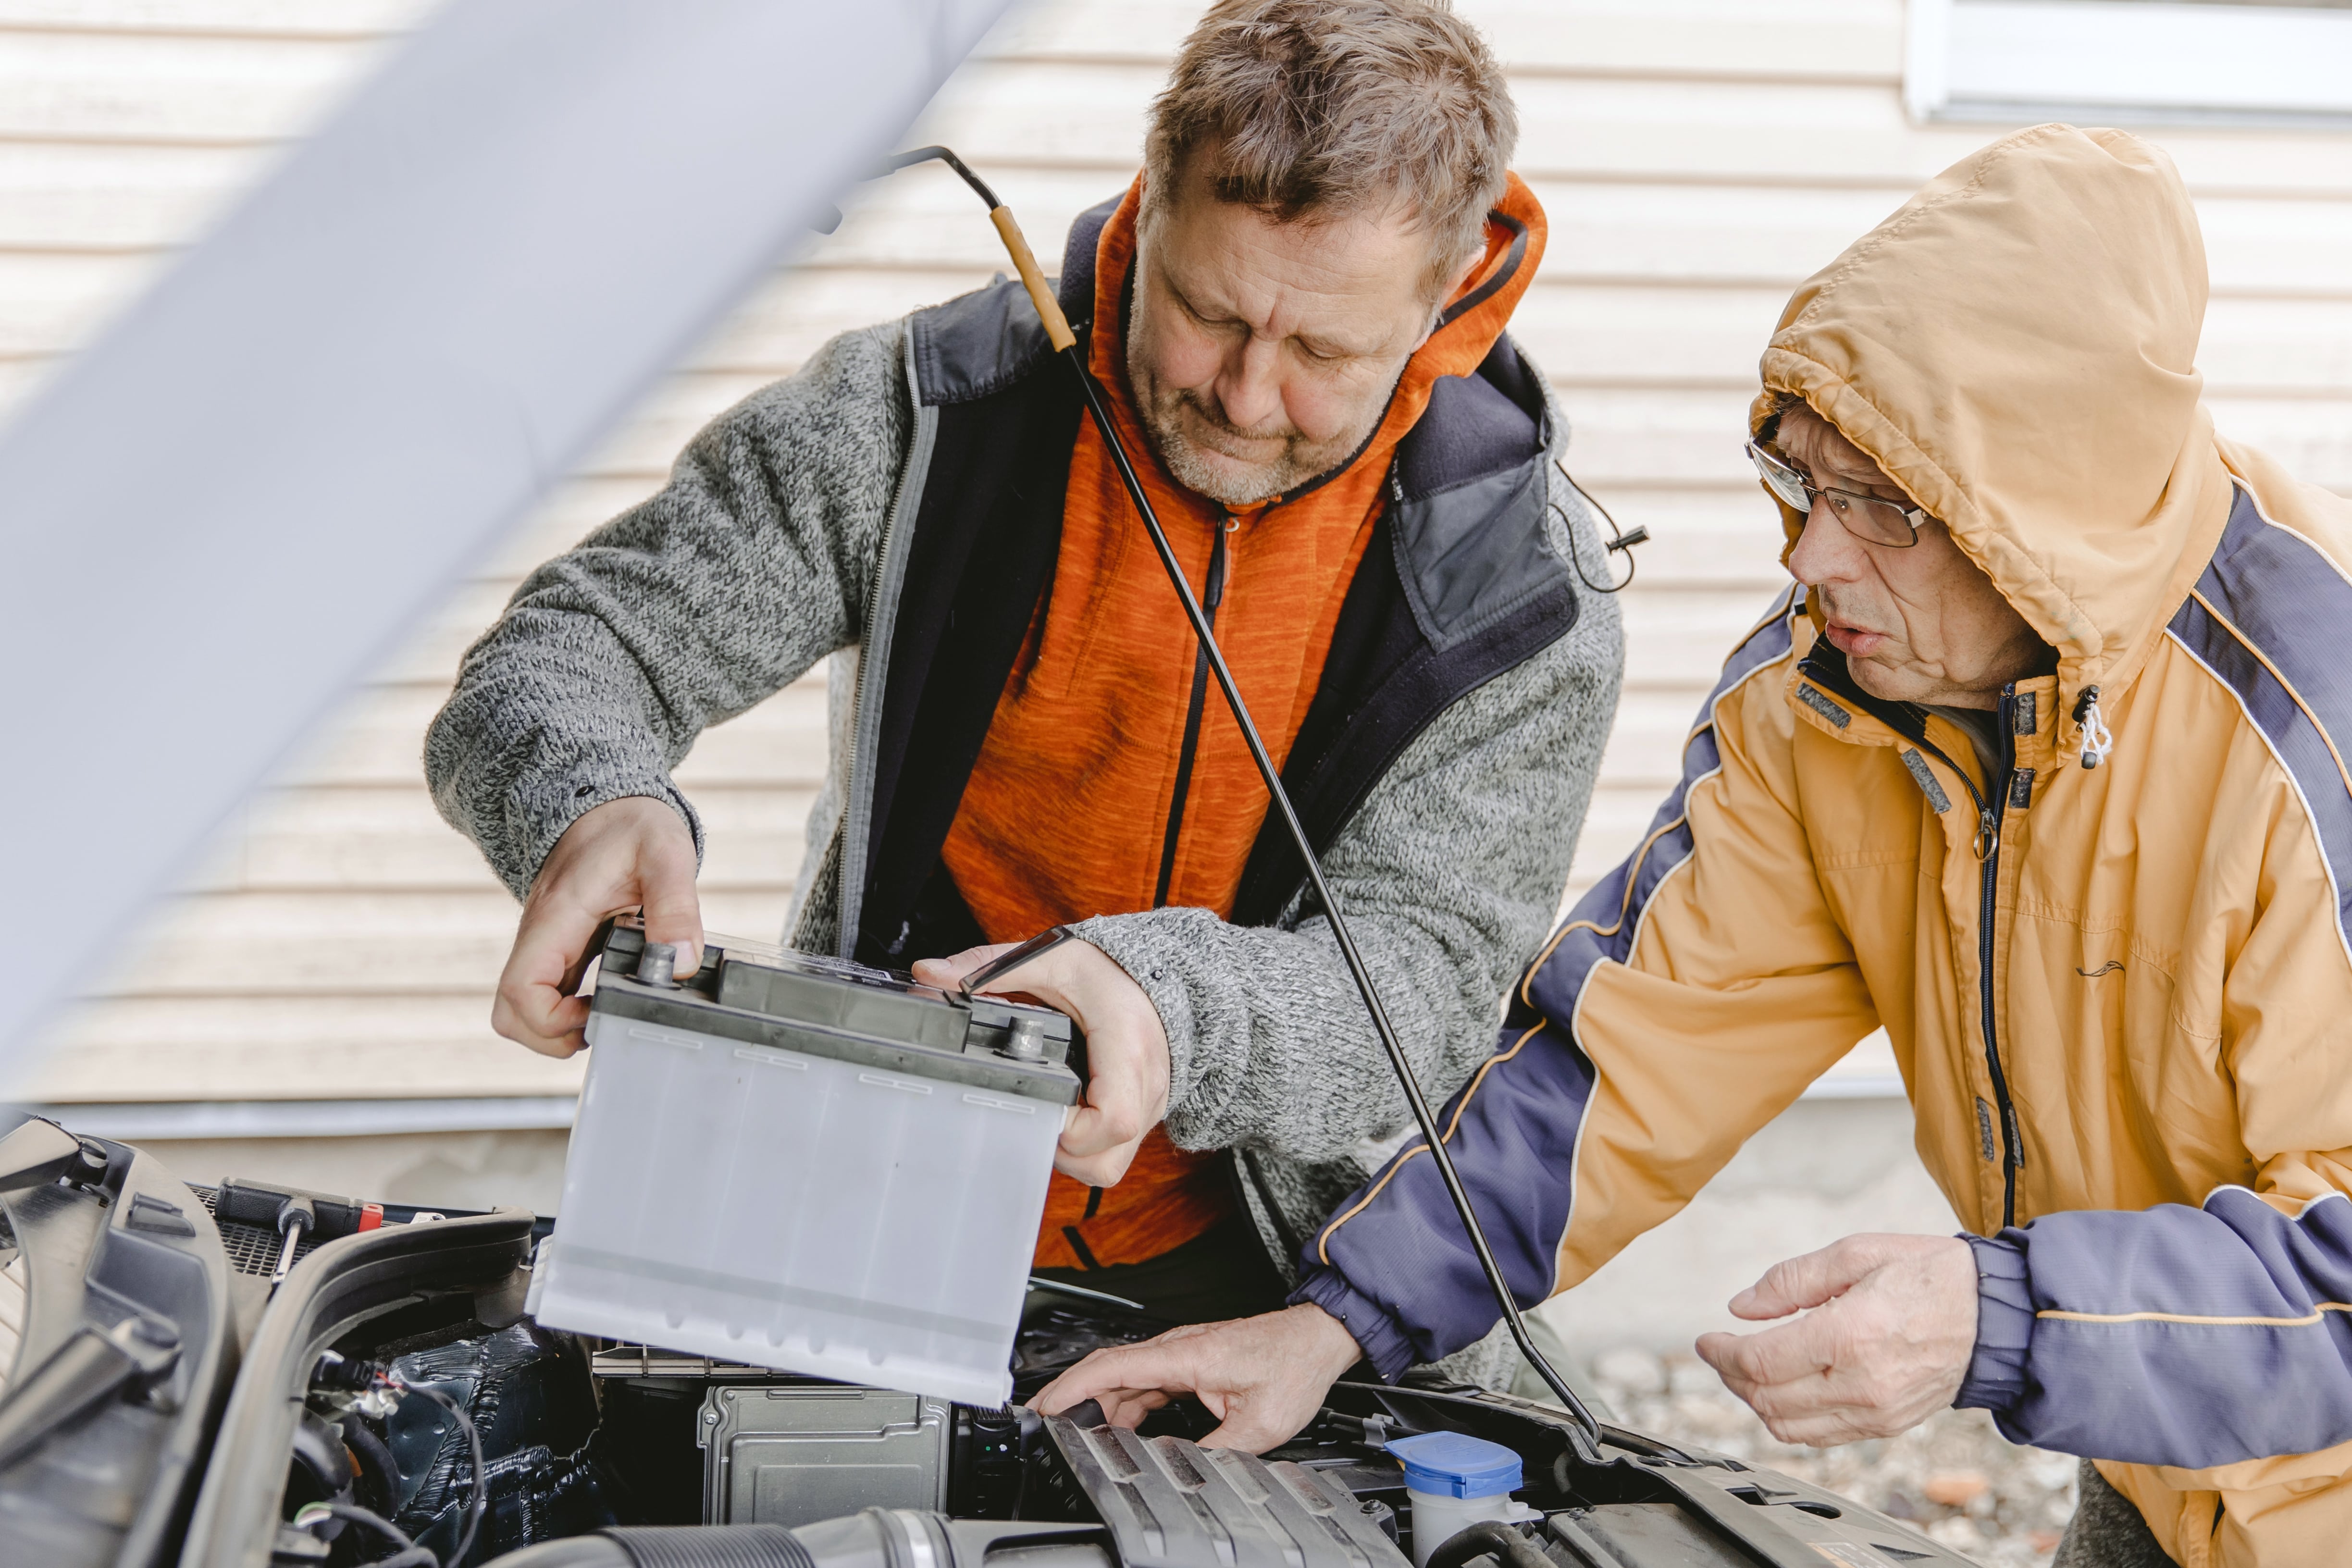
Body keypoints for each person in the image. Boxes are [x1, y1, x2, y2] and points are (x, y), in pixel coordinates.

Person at [1034, 124, 2352, 1568]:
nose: (1809, 556)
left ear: (2043, 511)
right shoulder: (1833, 702)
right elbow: (1624, 1059)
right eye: (1797, 478)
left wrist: (2005, 1315)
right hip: (2158, 1455)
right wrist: (1333, 1325)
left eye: (1882, 508)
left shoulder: (2306, 744)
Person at [425, 0, 1622, 1352]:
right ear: (1145, 208)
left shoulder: (1527, 590)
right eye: (1207, 311)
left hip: (1281, 1285)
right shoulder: (922, 414)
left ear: (1456, 291)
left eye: (1324, 355)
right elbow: (565, 649)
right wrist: (590, 801)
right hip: (855, 1195)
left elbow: (1432, 976)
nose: (1244, 394)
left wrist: (1163, 1006)